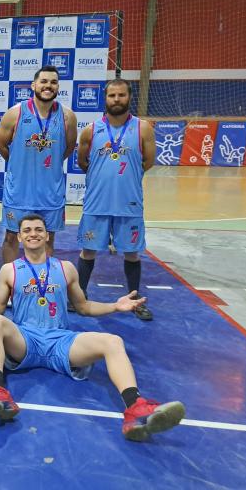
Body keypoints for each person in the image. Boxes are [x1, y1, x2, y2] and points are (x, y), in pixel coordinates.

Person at [0, 213, 184, 441]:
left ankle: (135, 407)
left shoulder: (67, 268)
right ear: (20, 237)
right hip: (25, 339)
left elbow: (83, 307)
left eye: (39, 230)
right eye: (27, 230)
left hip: (61, 341)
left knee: (113, 341)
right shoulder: (9, 270)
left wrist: (115, 306)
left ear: (47, 235)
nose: (33, 234)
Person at [76, 78, 156, 321]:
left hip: (128, 203)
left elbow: (148, 162)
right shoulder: (91, 130)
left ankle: (134, 300)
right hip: (96, 203)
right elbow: (83, 162)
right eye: (112, 96)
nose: (117, 100)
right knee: (88, 251)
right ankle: (79, 297)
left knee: (132, 253)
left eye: (121, 95)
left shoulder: (143, 129)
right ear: (105, 98)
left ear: (129, 97)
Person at [0, 65, 77, 263]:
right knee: (10, 238)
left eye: (53, 82)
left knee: (47, 240)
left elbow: (67, 149)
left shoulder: (67, 117)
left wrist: (47, 163)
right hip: (20, 192)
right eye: (43, 81)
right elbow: (1, 146)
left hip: (50, 192)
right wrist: (19, 162)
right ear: (34, 85)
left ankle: (42, 281)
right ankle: (11, 281)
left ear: (58, 87)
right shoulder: (15, 113)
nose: (48, 86)